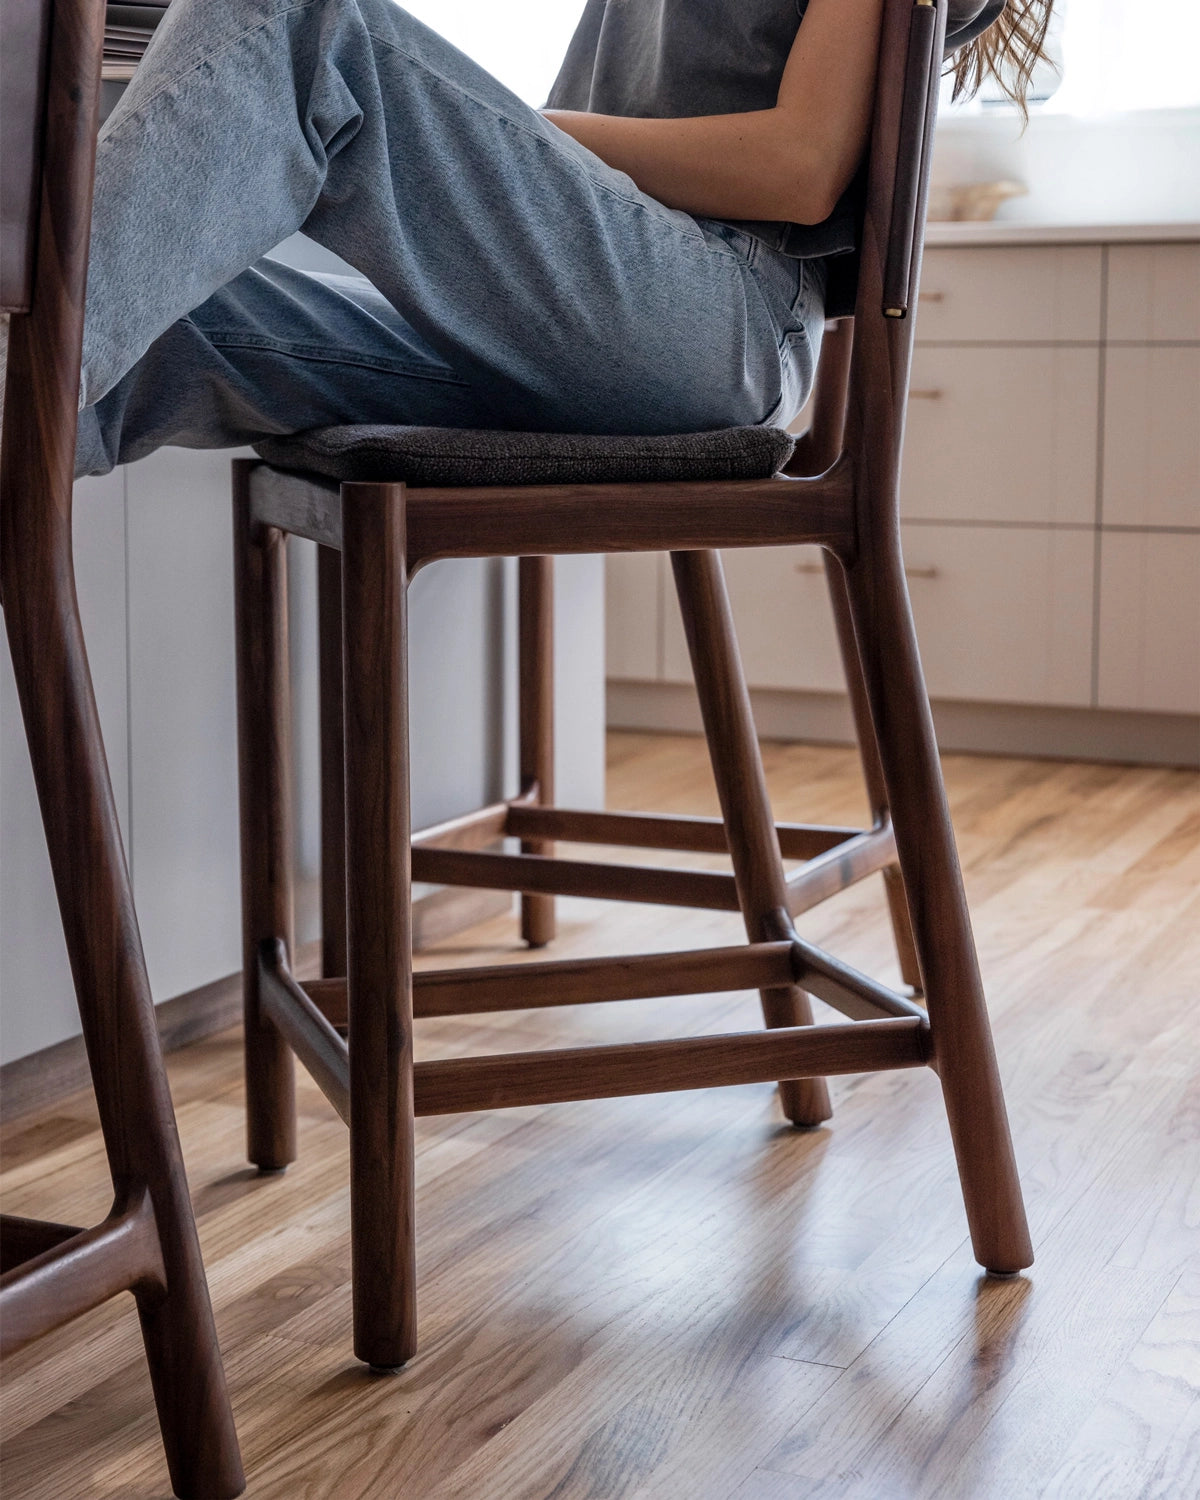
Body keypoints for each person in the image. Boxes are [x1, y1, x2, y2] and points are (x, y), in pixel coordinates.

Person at [74, 0, 1052, 478]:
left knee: (308, 16)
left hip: (721, 323)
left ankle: (32, 356)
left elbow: (801, 168)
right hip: (606, 322)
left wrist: (524, 135)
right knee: (173, 329)